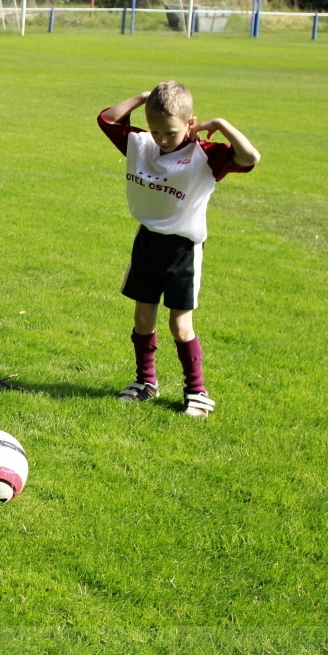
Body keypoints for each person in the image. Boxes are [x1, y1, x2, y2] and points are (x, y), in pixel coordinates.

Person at [98, 82, 261, 417]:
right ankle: (146, 382)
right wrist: (143, 98)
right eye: (155, 129)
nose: (160, 138)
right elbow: (107, 120)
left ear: (190, 123)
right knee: (143, 317)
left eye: (170, 132)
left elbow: (250, 157)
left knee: (180, 325)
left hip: (182, 249)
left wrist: (220, 125)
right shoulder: (141, 143)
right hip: (147, 242)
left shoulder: (205, 153)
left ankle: (196, 391)